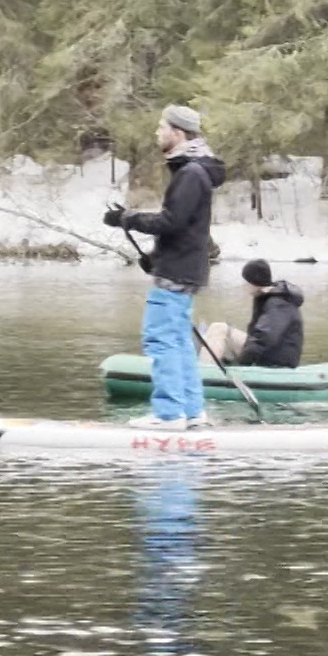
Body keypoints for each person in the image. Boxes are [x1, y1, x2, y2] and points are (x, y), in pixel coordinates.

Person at [103, 104, 226, 430]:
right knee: (179, 342)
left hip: (177, 274)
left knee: (160, 340)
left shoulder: (190, 174)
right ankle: (192, 411)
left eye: (162, 127)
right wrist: (156, 258)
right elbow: (185, 228)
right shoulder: (194, 171)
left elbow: (171, 222)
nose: (157, 133)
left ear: (178, 132)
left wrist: (126, 219)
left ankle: (169, 414)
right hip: (182, 268)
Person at [200, 260, 305, 368]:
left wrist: (241, 364)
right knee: (219, 328)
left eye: (246, 281)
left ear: (254, 282)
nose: (244, 285)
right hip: (272, 352)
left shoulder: (277, 304)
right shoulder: (267, 296)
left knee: (219, 329)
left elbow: (263, 341)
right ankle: (209, 364)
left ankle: (205, 371)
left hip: (278, 359)